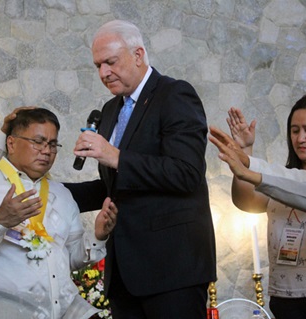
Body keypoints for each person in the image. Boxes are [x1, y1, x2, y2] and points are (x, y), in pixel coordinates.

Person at [64, 20, 216, 318]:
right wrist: (51, 191)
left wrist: (116, 157)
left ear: (138, 54)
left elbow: (186, 172)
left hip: (173, 271)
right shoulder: (111, 110)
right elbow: (117, 186)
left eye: (110, 62)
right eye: (97, 66)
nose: (103, 73)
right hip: (124, 275)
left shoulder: (175, 95)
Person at [0, 108, 118, 319]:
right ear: (11, 143)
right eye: (38, 141)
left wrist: (98, 236)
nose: (46, 151)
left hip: (65, 307)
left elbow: (71, 259)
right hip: (9, 308)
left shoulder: (61, 194)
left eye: (52, 144)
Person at [224, 94, 306, 319]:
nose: (300, 138)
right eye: (294, 131)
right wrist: (245, 151)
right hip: (282, 295)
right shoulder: (279, 178)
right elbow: (245, 201)